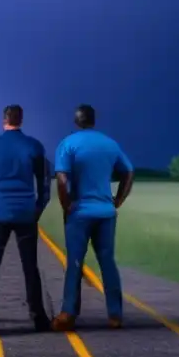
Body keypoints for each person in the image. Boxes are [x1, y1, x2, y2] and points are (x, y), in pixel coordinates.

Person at [51, 104, 135, 331]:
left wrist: (66, 204)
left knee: (75, 263)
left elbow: (61, 178)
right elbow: (129, 171)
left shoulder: (67, 144)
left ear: (76, 121)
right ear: (93, 121)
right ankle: (115, 315)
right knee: (107, 261)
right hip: (105, 213)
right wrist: (118, 200)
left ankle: (69, 313)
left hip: (79, 213)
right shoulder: (110, 144)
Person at [0, 104, 51, 336]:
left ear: (3, 120)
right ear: (21, 120)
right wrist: (38, 208)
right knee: (30, 266)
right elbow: (44, 184)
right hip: (26, 213)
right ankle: (38, 318)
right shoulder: (34, 146)